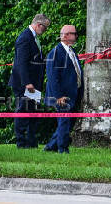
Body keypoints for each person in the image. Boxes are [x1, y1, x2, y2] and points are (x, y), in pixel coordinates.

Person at [8, 14, 50, 149]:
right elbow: (21, 62)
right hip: (24, 85)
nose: (45, 31)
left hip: (34, 84)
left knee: (34, 112)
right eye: (45, 28)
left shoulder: (33, 38)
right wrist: (27, 82)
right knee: (23, 111)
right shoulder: (25, 38)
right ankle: (21, 142)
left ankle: (31, 142)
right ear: (39, 25)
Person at [44, 25, 84, 154]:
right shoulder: (56, 52)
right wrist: (58, 96)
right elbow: (52, 77)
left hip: (73, 94)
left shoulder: (72, 52)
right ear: (66, 36)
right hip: (62, 96)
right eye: (74, 33)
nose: (76, 36)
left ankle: (51, 146)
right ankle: (63, 149)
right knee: (64, 121)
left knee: (68, 122)